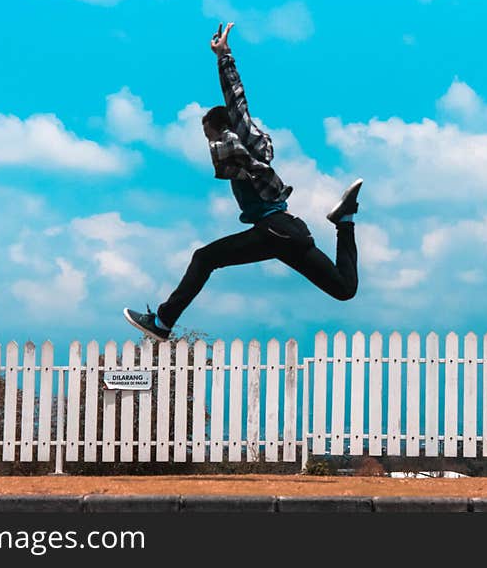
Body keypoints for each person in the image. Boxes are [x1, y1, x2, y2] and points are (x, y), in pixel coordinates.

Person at [124, 22, 361, 341]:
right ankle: (344, 220)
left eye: (207, 131)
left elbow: (237, 99)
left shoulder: (242, 138)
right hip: (288, 232)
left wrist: (223, 55)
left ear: (219, 126)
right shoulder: (240, 153)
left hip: (275, 230)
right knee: (344, 289)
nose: (208, 140)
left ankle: (163, 323)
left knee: (204, 258)